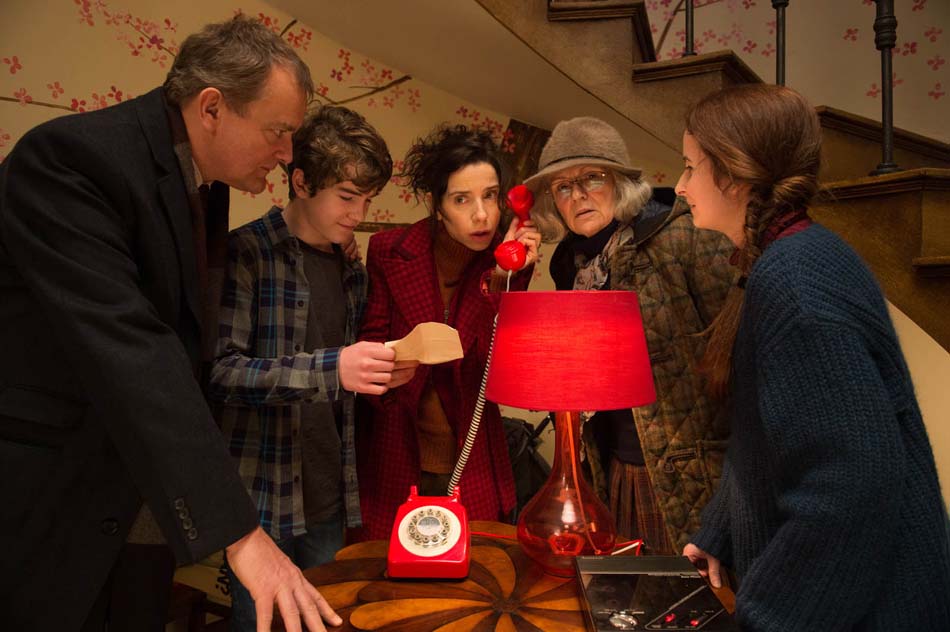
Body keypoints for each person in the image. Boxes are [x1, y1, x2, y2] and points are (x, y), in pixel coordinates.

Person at [0, 16, 342, 632]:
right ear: (212, 108)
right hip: (55, 492)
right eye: (279, 131)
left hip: (143, 494)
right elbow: (132, 348)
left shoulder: (204, 186)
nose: (288, 153)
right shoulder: (72, 159)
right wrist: (240, 532)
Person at [678, 84, 950, 630]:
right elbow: (761, 440)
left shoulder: (794, 280)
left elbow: (851, 486)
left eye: (689, 167)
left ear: (734, 175)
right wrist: (719, 532)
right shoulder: (784, 256)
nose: (681, 186)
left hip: (874, 610)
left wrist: (769, 618)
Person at [209, 104, 415, 631]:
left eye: (367, 199)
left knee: (326, 623)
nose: (358, 213)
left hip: (330, 491)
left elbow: (347, 376)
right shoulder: (247, 252)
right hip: (262, 498)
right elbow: (221, 373)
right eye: (347, 196)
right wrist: (334, 368)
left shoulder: (352, 271)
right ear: (301, 182)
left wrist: (383, 372)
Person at [522, 116, 735, 554]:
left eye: (592, 178)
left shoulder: (682, 234)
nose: (578, 195)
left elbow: (736, 350)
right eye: (563, 187)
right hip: (612, 461)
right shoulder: (570, 262)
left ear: (621, 182)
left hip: (690, 468)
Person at [354, 125, 541, 540]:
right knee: (393, 573)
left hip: (471, 460)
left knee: (477, 568)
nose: (482, 215)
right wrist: (390, 367)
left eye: (490, 196)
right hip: (395, 450)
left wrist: (503, 279)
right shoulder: (389, 251)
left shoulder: (503, 264)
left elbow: (500, 369)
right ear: (437, 205)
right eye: (462, 199)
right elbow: (369, 345)